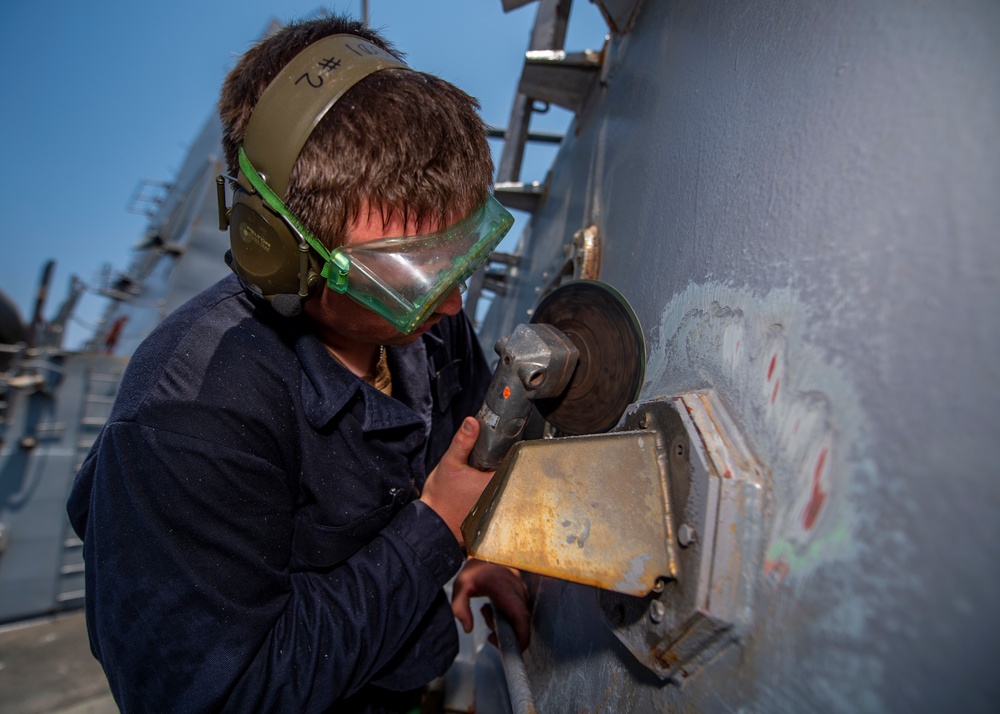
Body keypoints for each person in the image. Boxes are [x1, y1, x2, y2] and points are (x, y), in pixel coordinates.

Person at [67, 14, 529, 713]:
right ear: (278, 258)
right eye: (412, 278)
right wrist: (437, 528)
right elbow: (221, 695)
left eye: (459, 259)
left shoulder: (425, 326)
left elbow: (467, 434)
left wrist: (480, 546)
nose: (453, 307)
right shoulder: (187, 418)